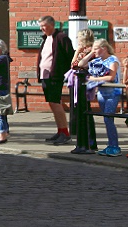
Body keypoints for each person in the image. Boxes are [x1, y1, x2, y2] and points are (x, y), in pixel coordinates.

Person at [79, 38, 122, 157]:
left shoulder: (113, 60)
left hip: (112, 92)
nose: (94, 51)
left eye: (96, 49)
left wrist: (94, 79)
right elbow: (81, 64)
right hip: (102, 93)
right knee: (106, 119)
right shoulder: (97, 60)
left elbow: (111, 77)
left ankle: (115, 146)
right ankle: (110, 145)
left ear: (104, 48)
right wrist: (91, 53)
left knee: (108, 118)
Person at [38, 15, 75, 145]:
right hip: (45, 75)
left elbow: (69, 55)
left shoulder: (61, 38)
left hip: (55, 76)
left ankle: (65, 132)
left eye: (44, 26)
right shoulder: (46, 38)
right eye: (41, 26)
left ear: (52, 25)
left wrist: (62, 72)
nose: (42, 28)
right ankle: (60, 130)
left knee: (55, 103)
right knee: (52, 103)